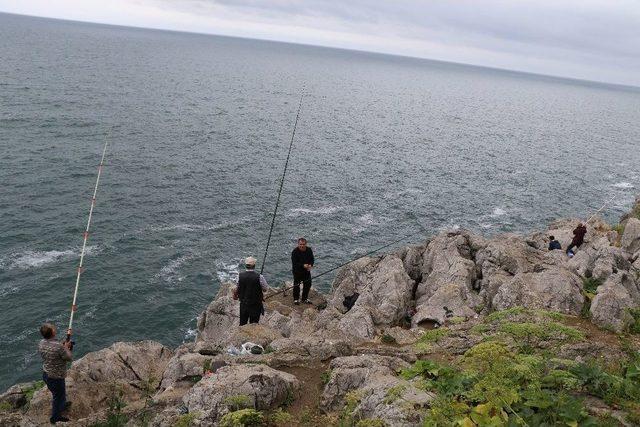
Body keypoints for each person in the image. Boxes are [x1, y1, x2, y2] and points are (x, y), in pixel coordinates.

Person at [38, 323, 73, 424]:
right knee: (57, 396)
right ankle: (55, 418)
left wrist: (62, 346)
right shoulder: (58, 347)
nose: (54, 327)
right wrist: (66, 348)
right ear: (52, 332)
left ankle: (61, 405)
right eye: (53, 327)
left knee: (57, 393)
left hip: (46, 374)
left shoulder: (41, 343)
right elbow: (69, 358)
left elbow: (52, 349)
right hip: (56, 376)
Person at [234, 256, 268, 325]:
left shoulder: (239, 276)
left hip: (244, 305)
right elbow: (265, 289)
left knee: (242, 324)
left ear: (245, 265)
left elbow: (237, 288)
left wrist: (235, 295)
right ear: (254, 266)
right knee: (254, 325)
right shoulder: (260, 277)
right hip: (255, 305)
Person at [291, 237, 314, 305]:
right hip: (297, 271)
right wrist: (303, 265)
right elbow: (295, 263)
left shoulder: (309, 250)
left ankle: (304, 298)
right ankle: (296, 299)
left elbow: (312, 259)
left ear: (306, 244)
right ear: (298, 244)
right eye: (300, 244)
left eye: (303, 244)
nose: (302, 246)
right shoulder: (294, 252)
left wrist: (310, 265)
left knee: (308, 284)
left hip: (306, 271)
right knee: (296, 285)